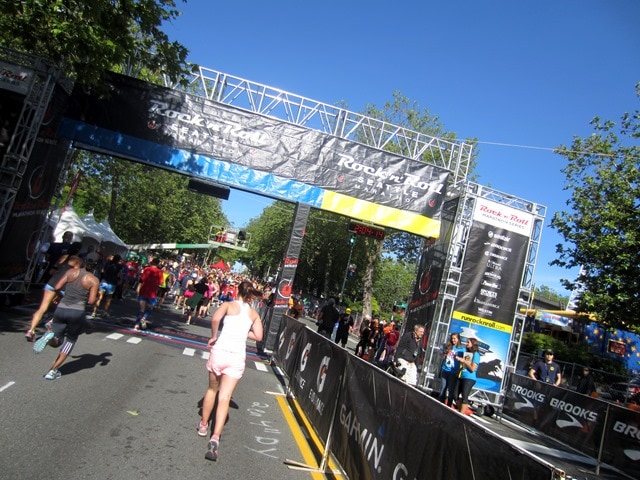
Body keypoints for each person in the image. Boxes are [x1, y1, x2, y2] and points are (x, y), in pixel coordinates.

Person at [197, 280, 264, 461]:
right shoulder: (254, 314)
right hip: (236, 356)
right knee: (225, 397)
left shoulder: (227, 305)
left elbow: (215, 319)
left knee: (212, 389)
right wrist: (244, 332)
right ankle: (215, 437)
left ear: (237, 291)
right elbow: (259, 336)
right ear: (250, 295)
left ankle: (203, 425)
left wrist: (214, 336)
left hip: (221, 350)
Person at [34, 257, 99, 380]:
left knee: (57, 339)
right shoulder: (94, 280)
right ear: (95, 267)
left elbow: (57, 287)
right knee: (70, 340)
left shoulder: (70, 272)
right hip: (77, 312)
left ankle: (50, 339)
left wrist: (58, 296)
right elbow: (91, 301)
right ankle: (52, 371)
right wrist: (97, 297)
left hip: (61, 309)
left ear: (84, 263)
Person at [25, 254, 83, 341]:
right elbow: (75, 275)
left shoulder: (63, 258)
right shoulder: (78, 261)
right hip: (64, 286)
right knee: (64, 308)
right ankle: (51, 321)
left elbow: (51, 272)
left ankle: (30, 331)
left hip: (52, 283)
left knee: (42, 308)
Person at [134, 258, 163, 331]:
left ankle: (137, 325)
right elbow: (161, 283)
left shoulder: (146, 269)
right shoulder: (159, 272)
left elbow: (141, 279)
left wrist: (138, 288)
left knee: (141, 309)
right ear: (158, 264)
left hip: (143, 290)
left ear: (152, 262)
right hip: (152, 293)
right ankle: (144, 318)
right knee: (150, 308)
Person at [439, 332, 465, 406]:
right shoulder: (448, 346)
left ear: (458, 339)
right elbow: (442, 354)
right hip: (445, 369)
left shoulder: (462, 349)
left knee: (451, 390)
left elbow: (464, 360)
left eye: (454, 338)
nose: (453, 340)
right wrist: (444, 354)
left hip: (453, 372)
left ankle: (449, 405)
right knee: (443, 388)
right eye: (452, 338)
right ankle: (440, 403)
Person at [456, 337, 481, 415]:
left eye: (468, 342)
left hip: (469, 378)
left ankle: (461, 414)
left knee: (464, 396)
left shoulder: (476, 354)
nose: (466, 344)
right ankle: (460, 410)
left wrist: (465, 361)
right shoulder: (467, 353)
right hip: (462, 376)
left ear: (473, 344)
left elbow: (472, 368)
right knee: (455, 394)